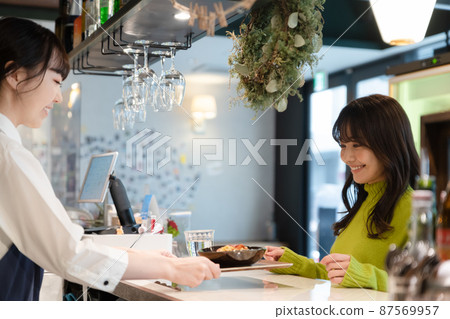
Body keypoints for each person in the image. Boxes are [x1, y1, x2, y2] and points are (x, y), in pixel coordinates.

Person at [0, 17, 220, 301]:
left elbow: (69, 243)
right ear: (15, 75)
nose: (57, 97)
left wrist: (145, 257)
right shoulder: (9, 156)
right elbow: (69, 252)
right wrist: (171, 267)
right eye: (56, 81)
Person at [265, 94, 420, 292]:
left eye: (357, 145)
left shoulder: (416, 208)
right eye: (343, 146)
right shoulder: (365, 202)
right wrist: (295, 263)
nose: (346, 157)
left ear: (388, 143)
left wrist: (365, 275)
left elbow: (421, 284)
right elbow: (340, 276)